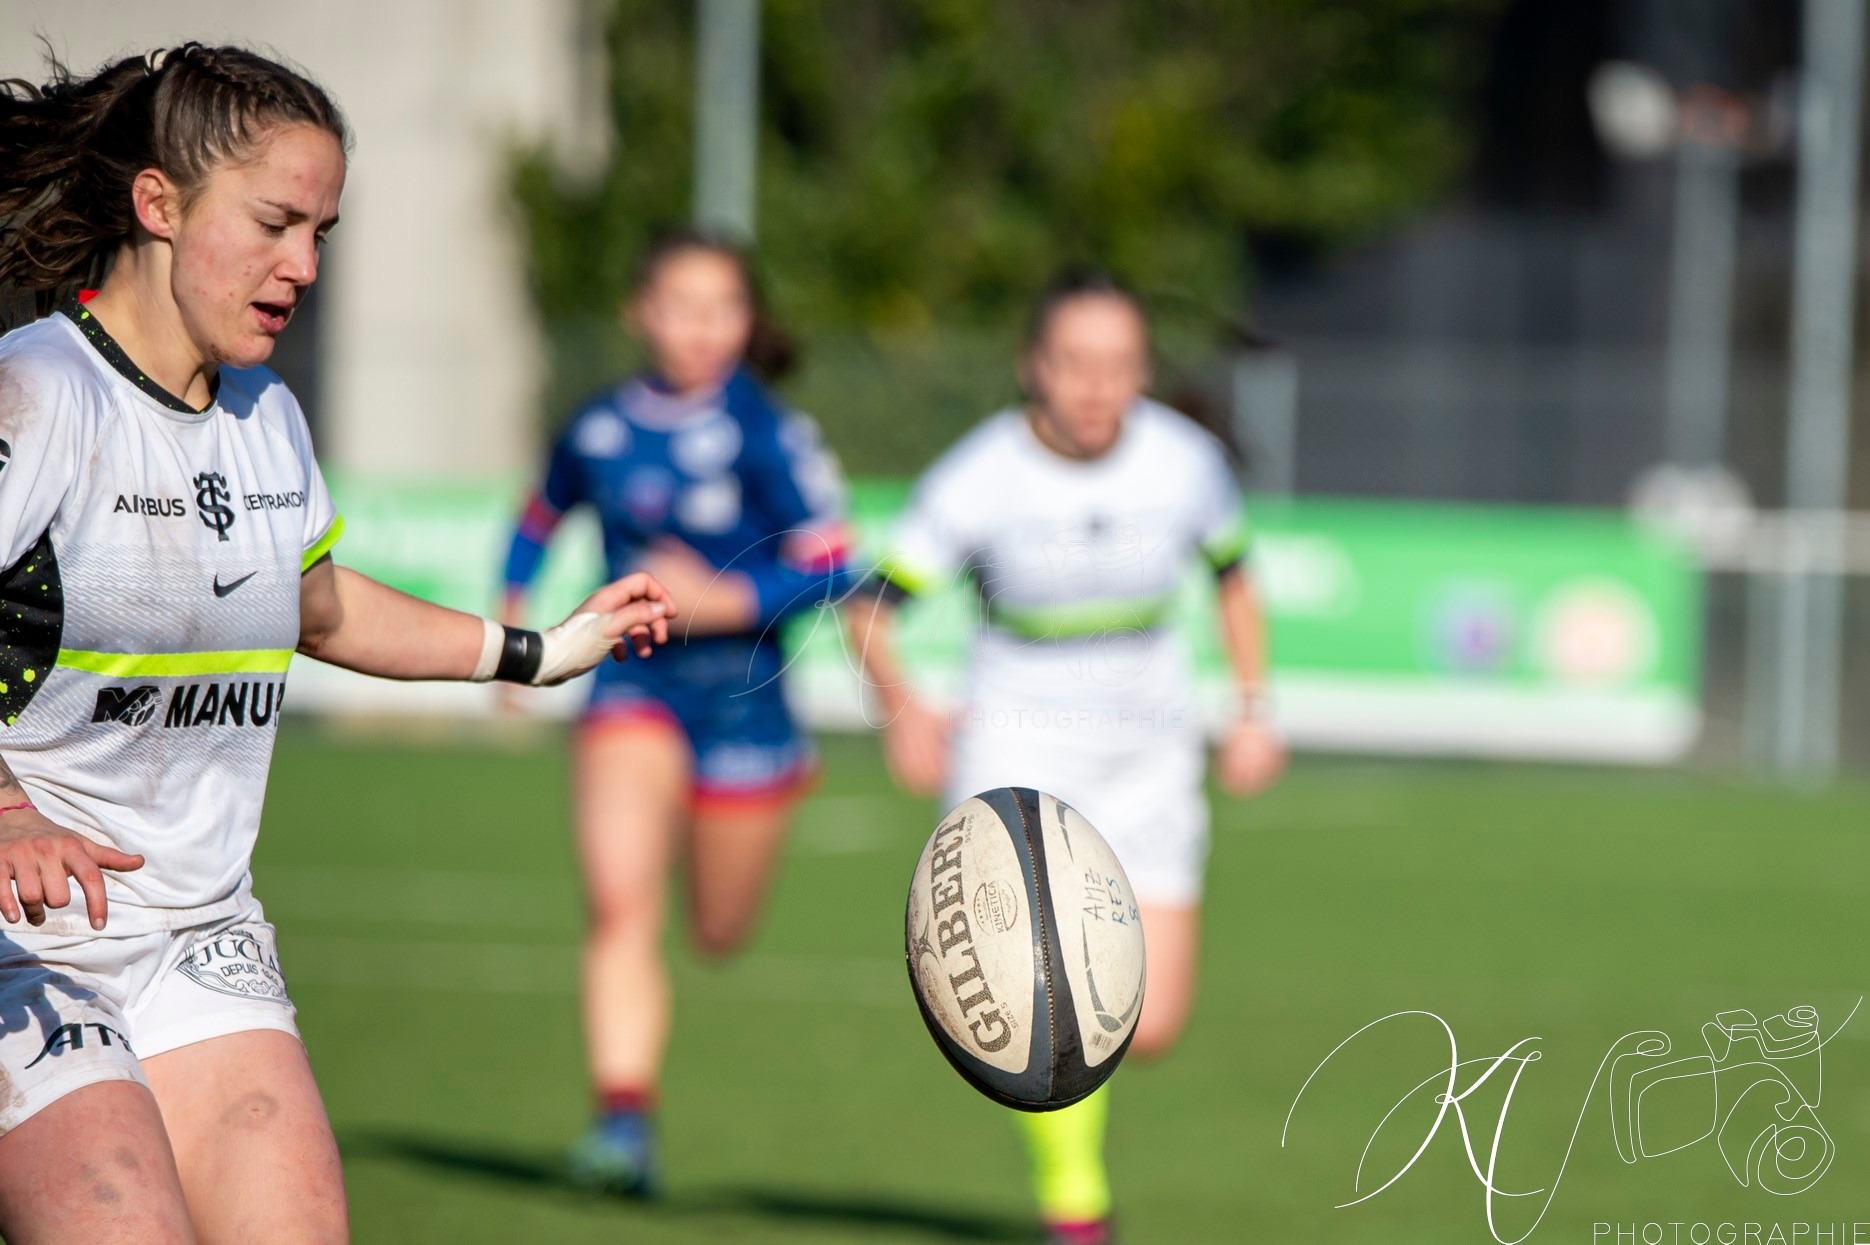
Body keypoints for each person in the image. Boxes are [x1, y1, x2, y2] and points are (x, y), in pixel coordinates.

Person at [0, 44, 675, 1244]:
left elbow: (316, 610)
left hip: (199, 940)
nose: (302, 265)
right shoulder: (42, 396)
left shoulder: (268, 418)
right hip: (23, 952)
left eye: (322, 231)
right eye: (273, 223)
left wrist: (536, 651)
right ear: (158, 204)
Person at [843, 268, 1285, 1245]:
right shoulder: (979, 475)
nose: (1095, 385)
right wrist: (903, 712)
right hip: (1018, 747)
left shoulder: (1186, 463)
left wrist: (1253, 711)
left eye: (1119, 364)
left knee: (1150, 1021)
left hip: (1149, 751)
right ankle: (1073, 1207)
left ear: (1142, 372)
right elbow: (869, 607)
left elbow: (1235, 585)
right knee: (1049, 1007)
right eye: (1074, 363)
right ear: (1031, 366)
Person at [499, 228, 850, 1195]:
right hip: (631, 688)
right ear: (640, 312)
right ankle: (622, 1122)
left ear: (748, 321)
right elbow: (538, 515)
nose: (702, 328)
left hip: (747, 705)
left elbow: (832, 566)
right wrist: (513, 621)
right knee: (620, 902)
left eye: (723, 308)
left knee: (718, 931)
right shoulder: (600, 427)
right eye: (682, 305)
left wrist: (726, 598)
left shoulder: (770, 431)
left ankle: (777, 782)